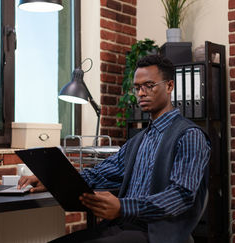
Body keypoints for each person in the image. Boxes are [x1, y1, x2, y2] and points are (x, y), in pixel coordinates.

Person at [18, 55, 210, 243]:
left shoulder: (189, 136)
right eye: (137, 88)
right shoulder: (138, 141)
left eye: (149, 86)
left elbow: (181, 195)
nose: (141, 93)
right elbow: (99, 174)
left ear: (169, 86)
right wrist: (52, 179)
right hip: (121, 226)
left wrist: (123, 207)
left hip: (156, 234)